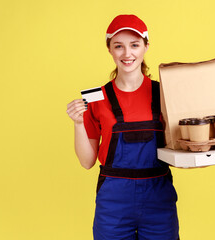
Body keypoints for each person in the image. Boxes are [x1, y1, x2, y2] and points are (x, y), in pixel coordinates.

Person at [66, 14, 179, 240]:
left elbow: (183, 145)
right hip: (113, 204)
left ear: (146, 46)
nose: (127, 54)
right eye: (119, 46)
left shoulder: (166, 93)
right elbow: (87, 162)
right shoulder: (95, 98)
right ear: (109, 49)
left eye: (134, 45)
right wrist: (79, 123)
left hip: (158, 199)